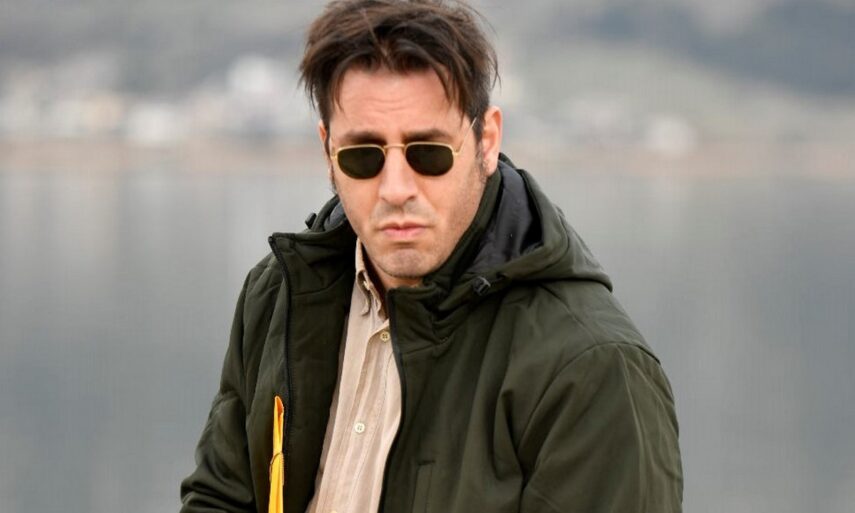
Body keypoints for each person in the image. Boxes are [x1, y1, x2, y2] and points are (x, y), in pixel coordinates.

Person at [179, 1, 683, 512]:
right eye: (363, 156)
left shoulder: (593, 369)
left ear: (487, 140)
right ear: (328, 150)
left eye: (428, 153)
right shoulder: (277, 297)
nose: (396, 188)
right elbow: (219, 498)